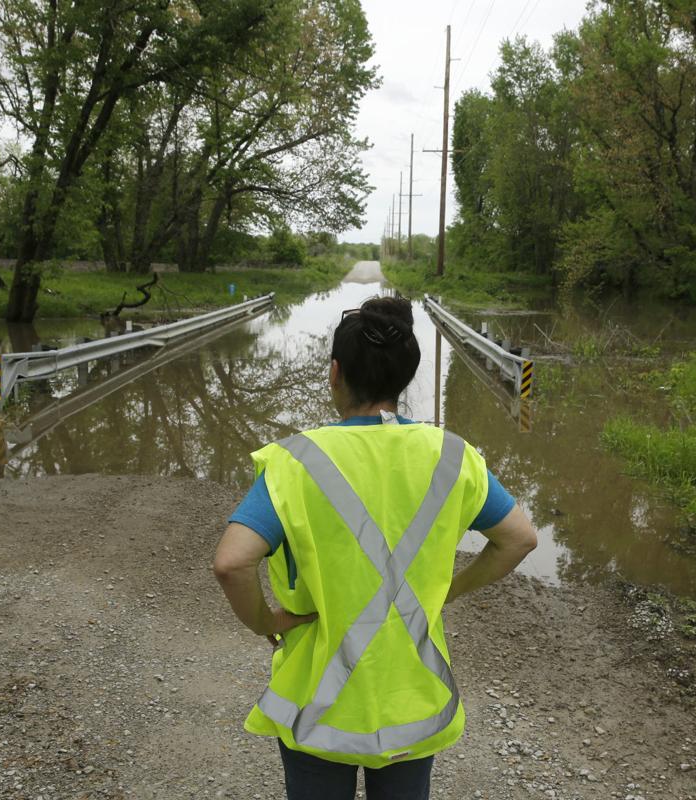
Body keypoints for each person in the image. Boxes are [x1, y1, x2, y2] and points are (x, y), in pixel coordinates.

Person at [213, 295, 538, 800]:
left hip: (315, 706)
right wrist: (447, 591)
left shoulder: (294, 461)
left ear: (335, 373)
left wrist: (266, 623)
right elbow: (519, 539)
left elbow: (232, 562)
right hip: (411, 698)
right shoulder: (453, 455)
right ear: (404, 378)